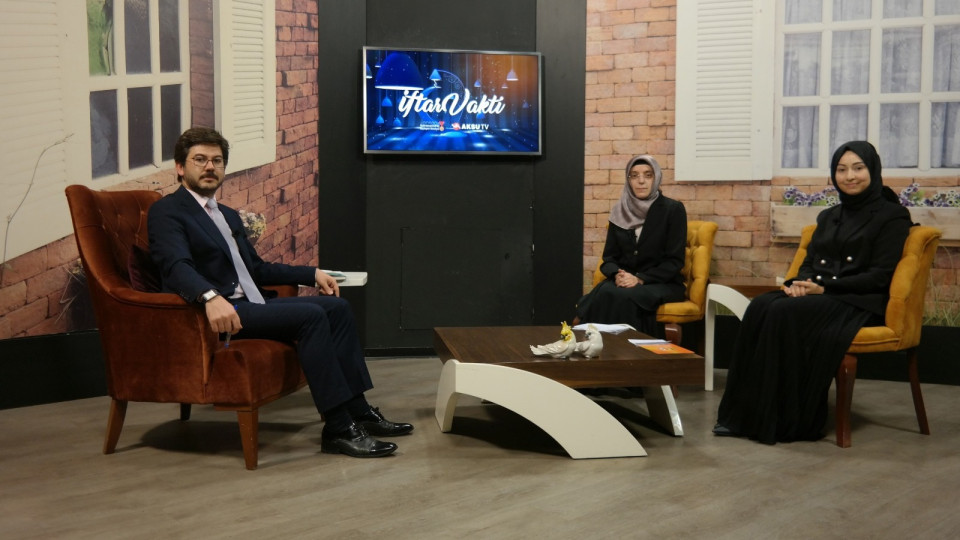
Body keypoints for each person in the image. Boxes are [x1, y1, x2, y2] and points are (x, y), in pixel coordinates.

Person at [148, 127, 412, 458]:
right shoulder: (168, 211)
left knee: (338, 308)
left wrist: (312, 274)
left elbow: (256, 269)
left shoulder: (226, 215)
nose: (210, 167)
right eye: (200, 159)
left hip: (251, 305)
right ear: (180, 167)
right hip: (218, 312)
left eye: (217, 160)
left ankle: (359, 410)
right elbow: (175, 266)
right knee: (311, 316)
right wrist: (210, 297)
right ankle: (338, 428)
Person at [714, 140, 912, 444]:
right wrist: (799, 284)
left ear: (873, 170)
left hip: (858, 301)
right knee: (761, 306)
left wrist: (825, 287)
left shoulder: (892, 216)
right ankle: (742, 416)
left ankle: (784, 420)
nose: (850, 176)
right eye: (841, 170)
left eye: (858, 168)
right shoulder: (829, 216)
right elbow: (810, 262)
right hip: (824, 293)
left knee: (782, 312)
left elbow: (879, 276)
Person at [574, 155, 687, 338]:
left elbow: (674, 262)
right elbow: (609, 259)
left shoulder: (672, 210)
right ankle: (599, 349)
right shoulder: (620, 211)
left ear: (656, 178)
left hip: (661, 283)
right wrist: (618, 275)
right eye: (634, 176)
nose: (641, 181)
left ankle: (632, 350)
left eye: (648, 175)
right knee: (606, 292)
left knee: (623, 296)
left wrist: (640, 279)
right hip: (625, 281)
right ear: (628, 180)